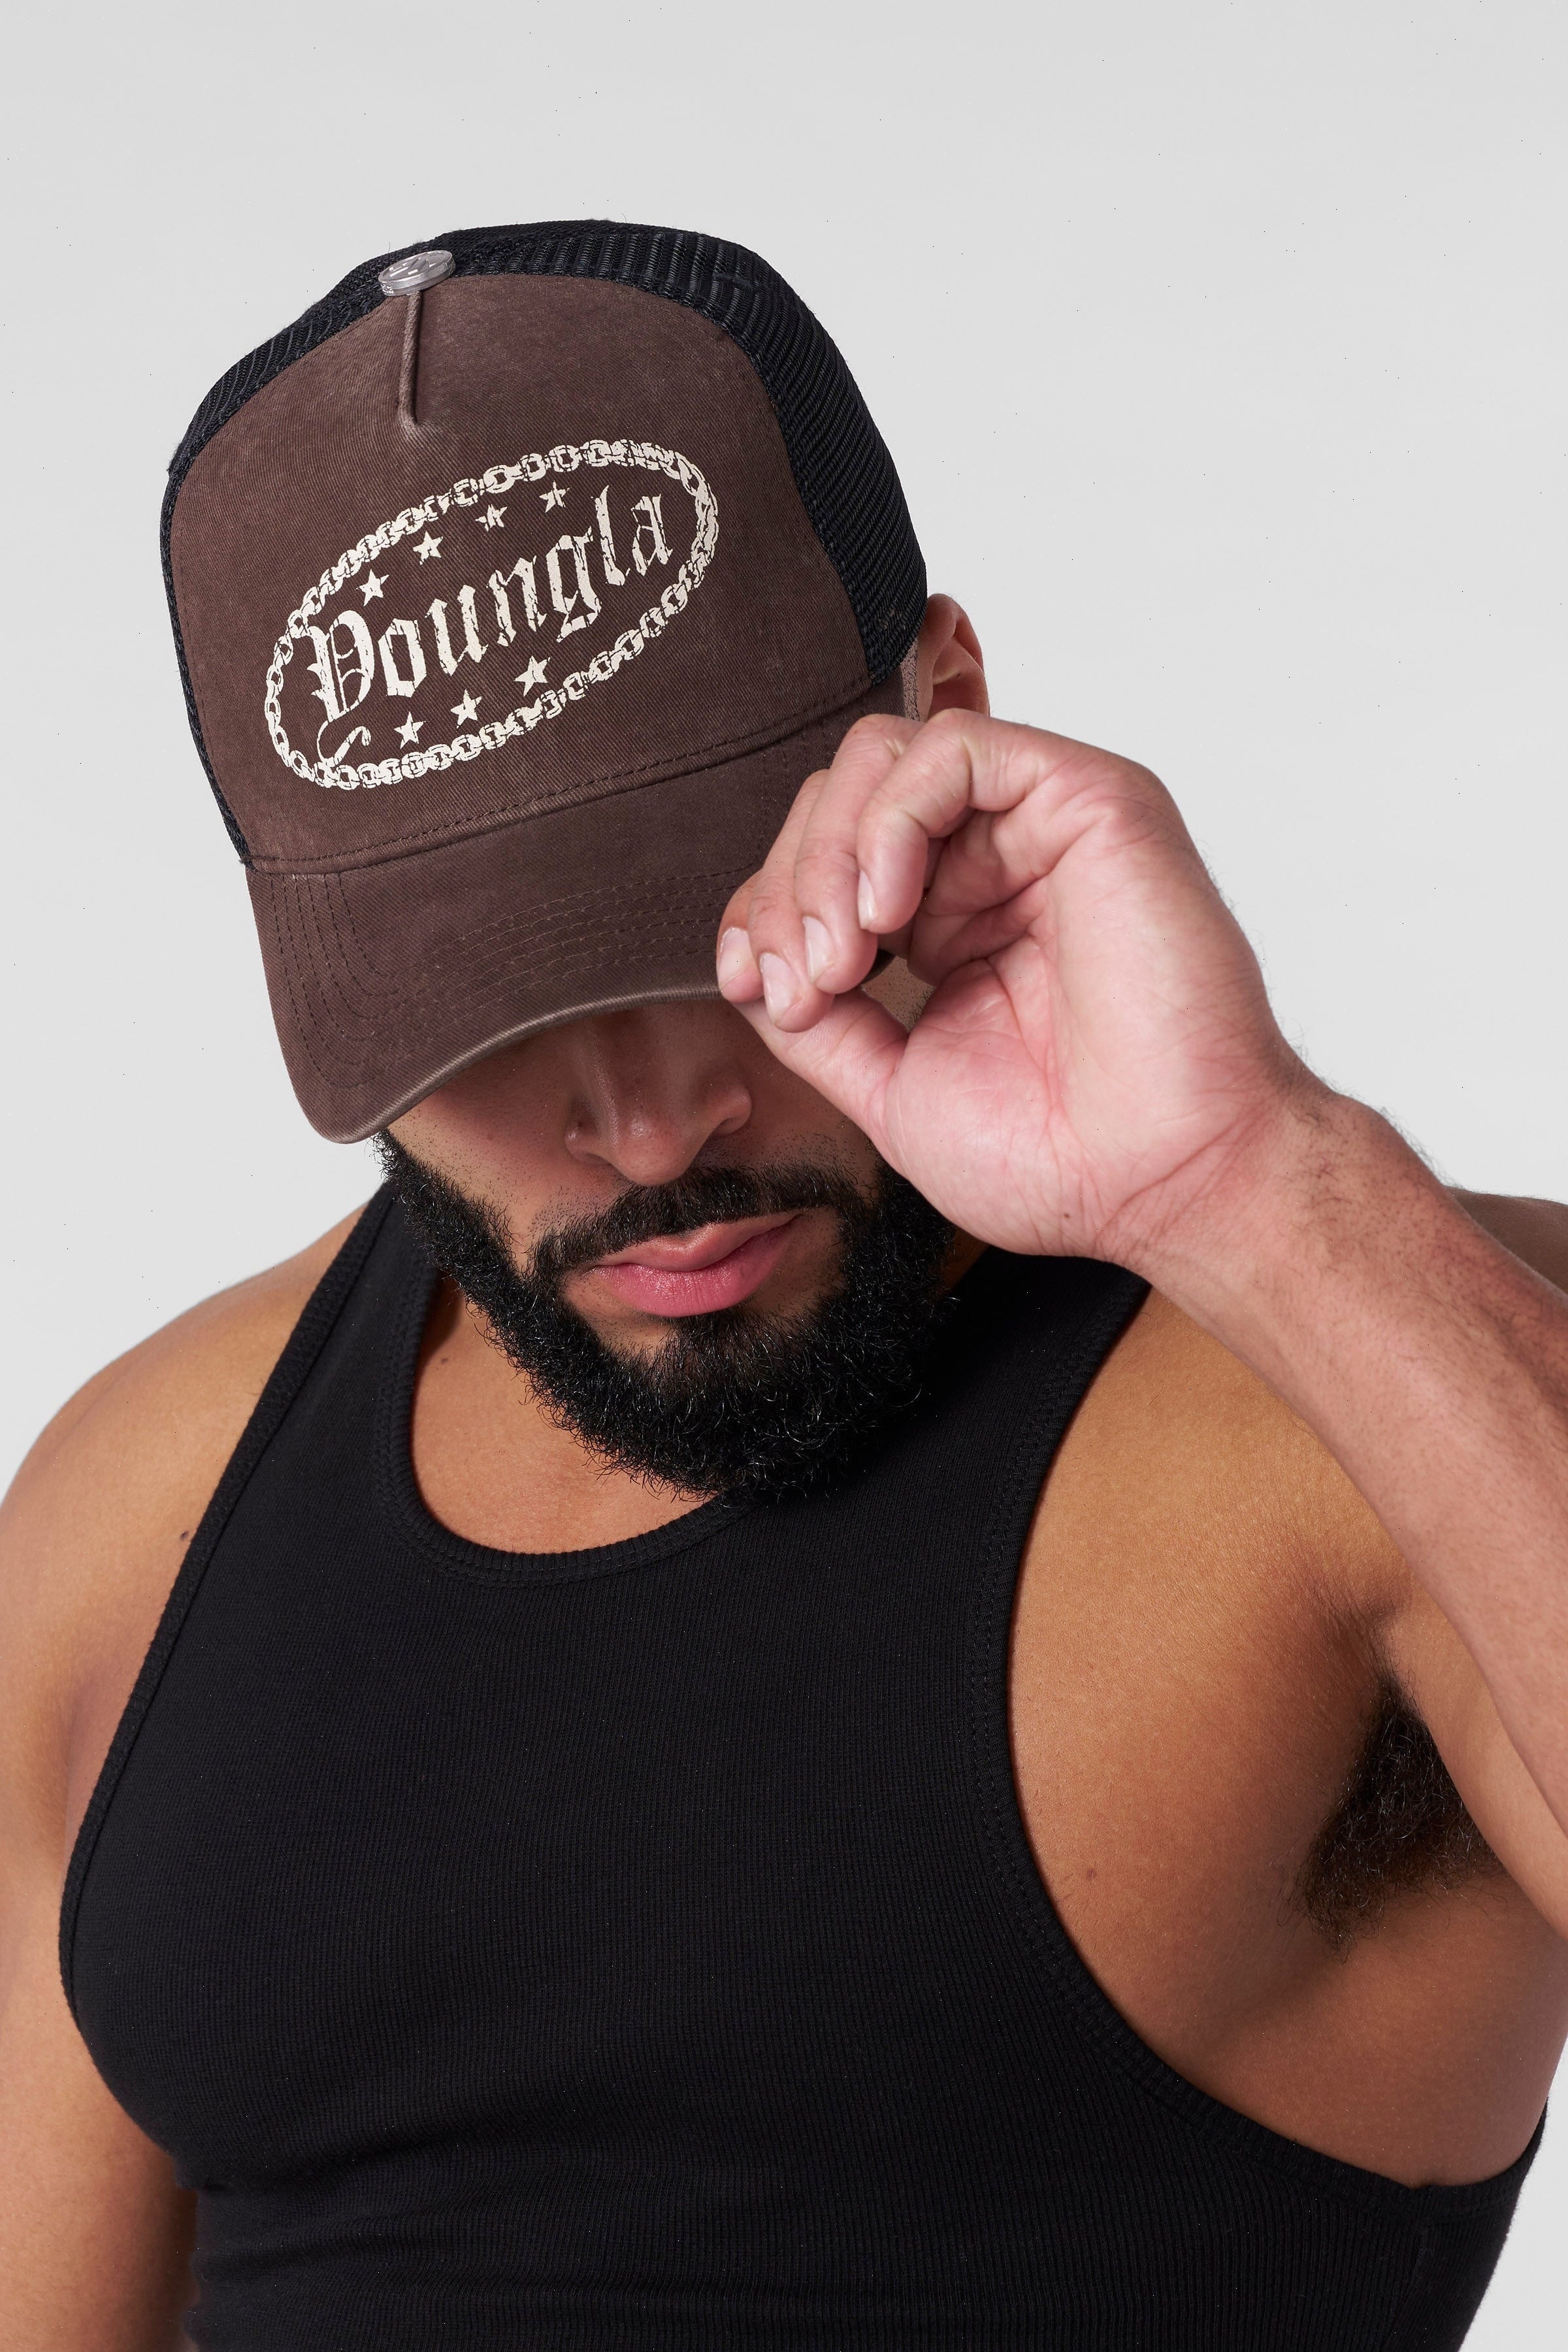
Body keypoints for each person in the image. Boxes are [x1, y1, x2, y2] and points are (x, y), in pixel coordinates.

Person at [3, 221, 1565, 2352]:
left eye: (723, 932)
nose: (651, 1133)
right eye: (487, 1009)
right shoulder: (137, 1512)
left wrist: (1257, 1182)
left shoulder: (1381, 1381)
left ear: (946, 718)